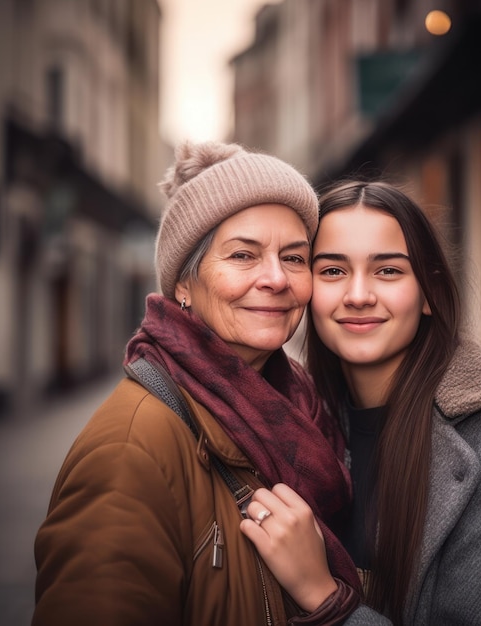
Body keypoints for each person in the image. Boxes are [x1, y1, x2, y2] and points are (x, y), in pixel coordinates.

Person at [32, 141, 362, 626]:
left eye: (294, 258)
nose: (276, 278)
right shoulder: (131, 450)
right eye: (244, 255)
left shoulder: (299, 410)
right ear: (183, 285)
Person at [240, 180, 481, 625]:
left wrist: (322, 596)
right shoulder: (298, 425)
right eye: (333, 271)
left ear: (430, 294)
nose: (358, 295)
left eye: (388, 271)